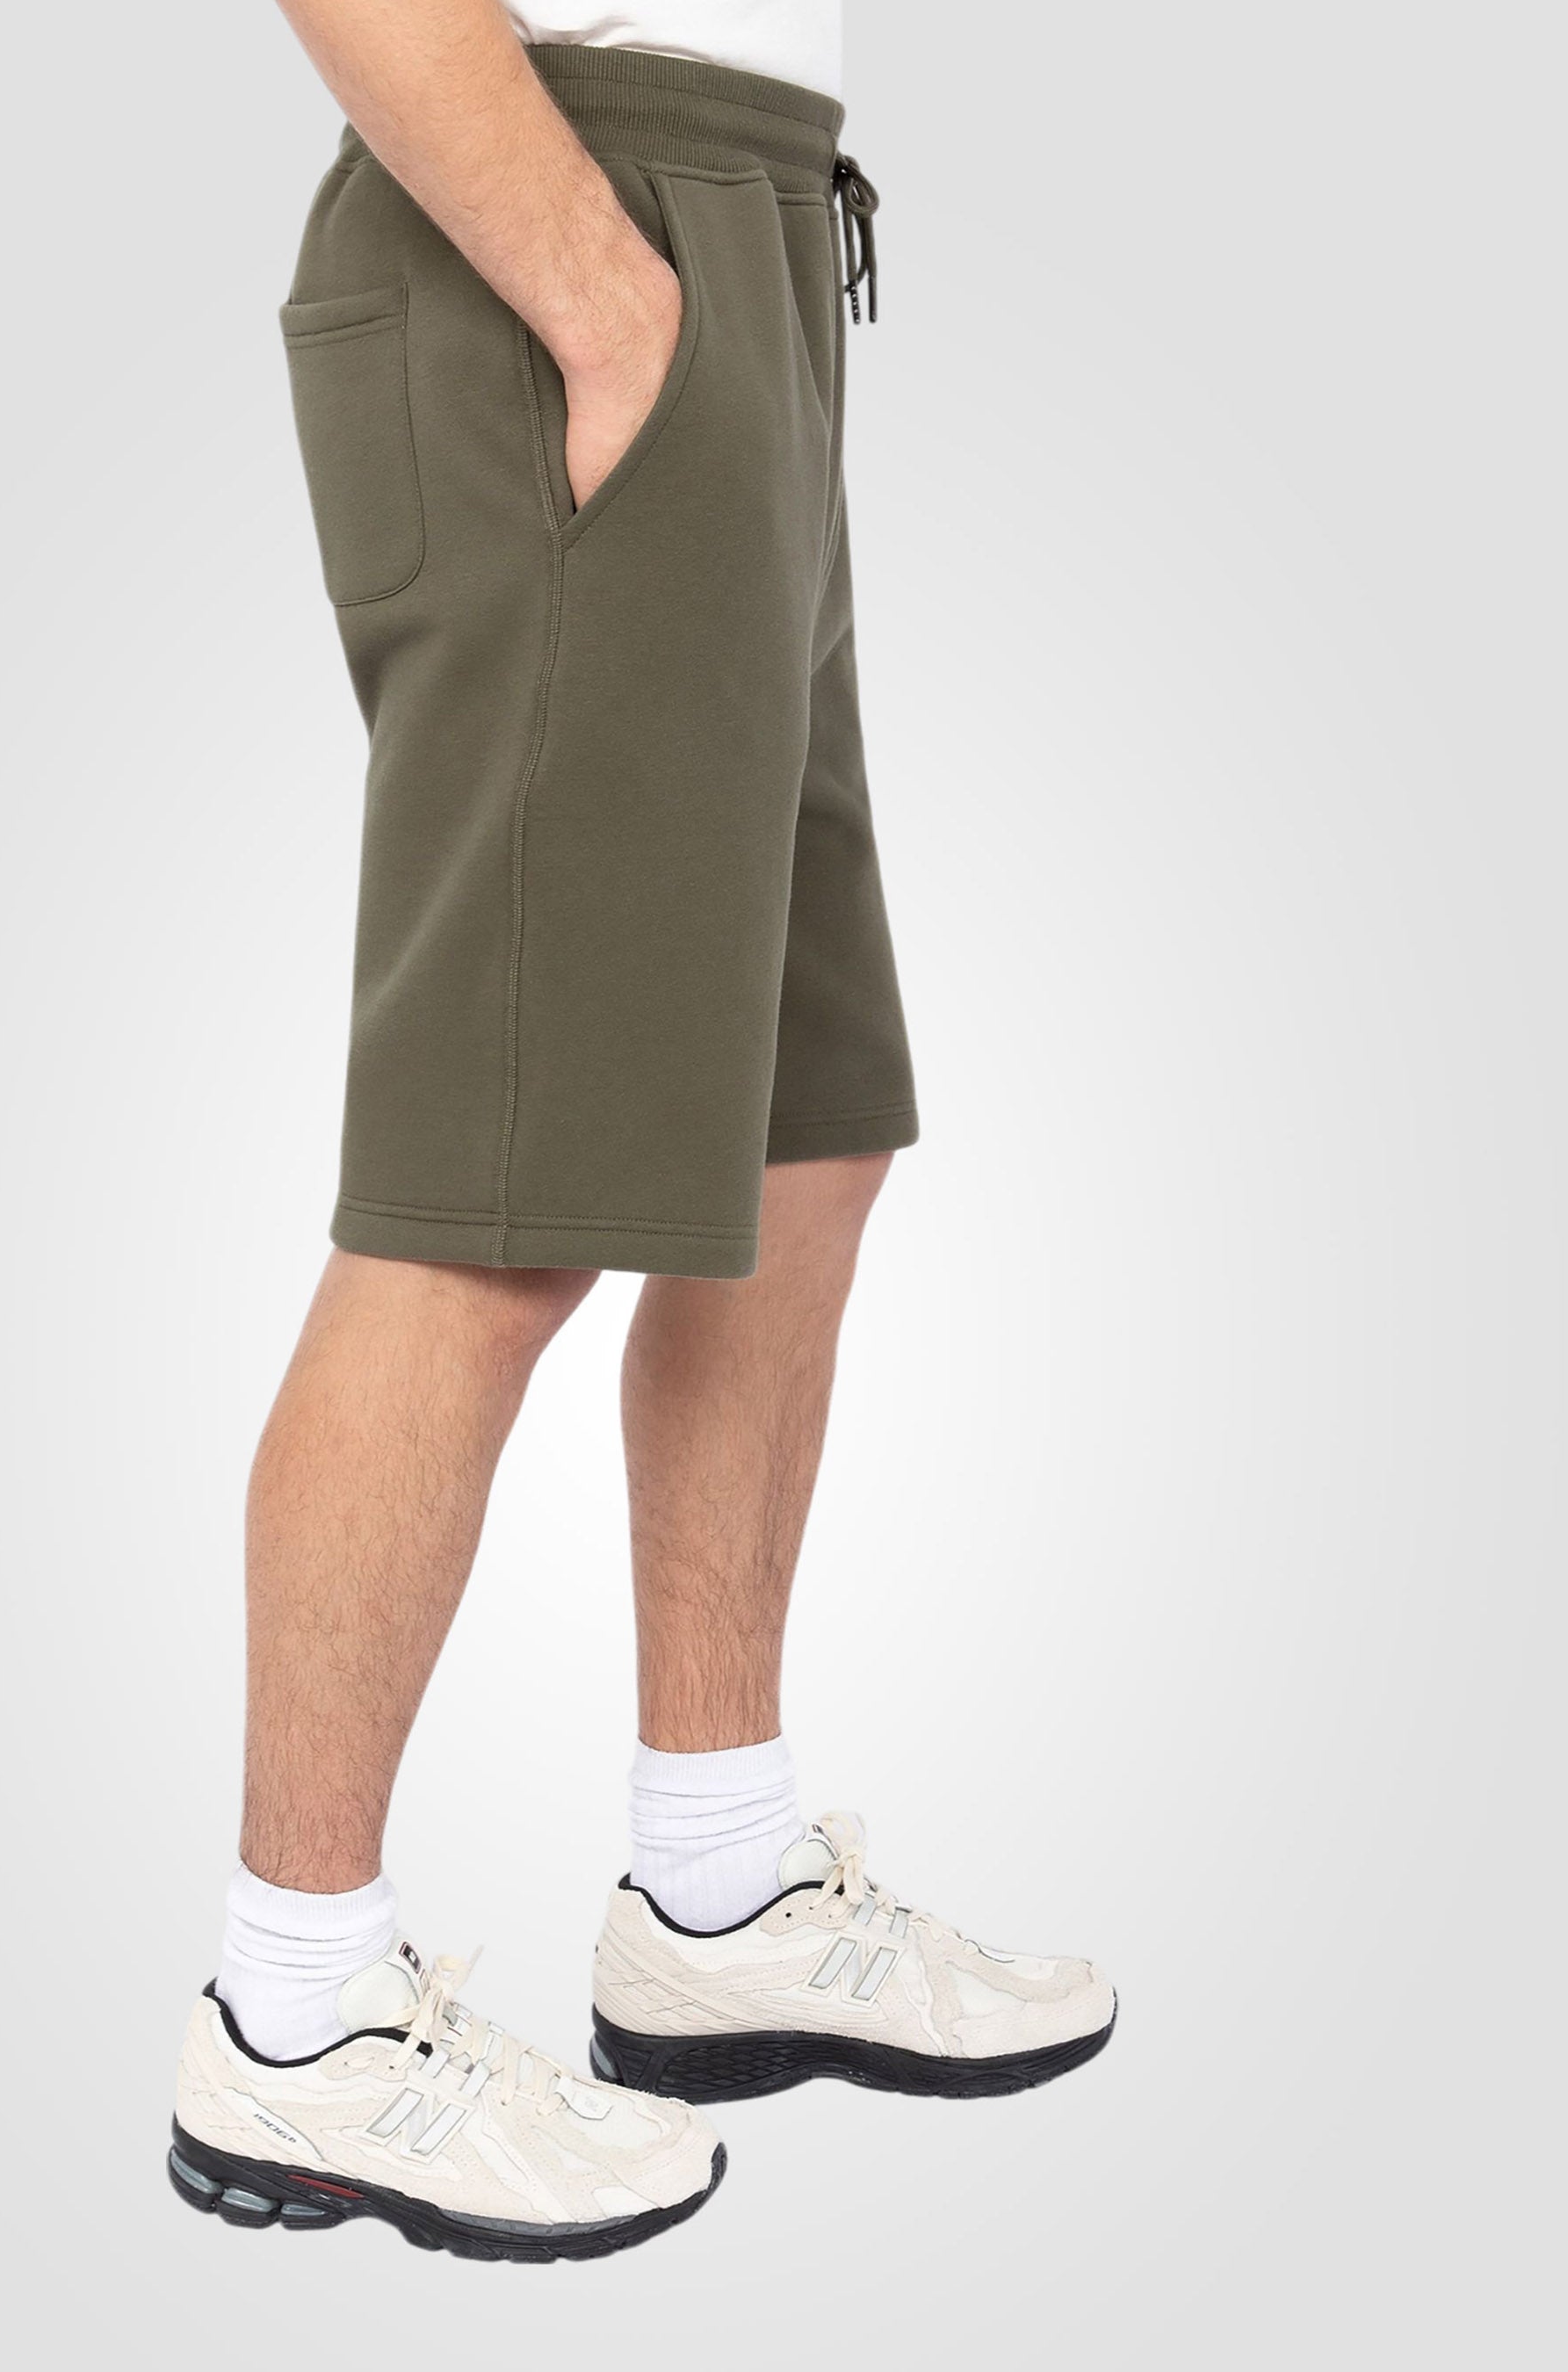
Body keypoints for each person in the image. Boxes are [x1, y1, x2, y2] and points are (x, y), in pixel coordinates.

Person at [169, 0, 1113, 2263]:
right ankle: (294, 2015)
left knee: (800, 1131)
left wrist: (701, 304)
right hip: (569, 223)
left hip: (746, 238)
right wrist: (607, 297)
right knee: (497, 1187)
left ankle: (718, 1889)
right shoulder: (595, 275)